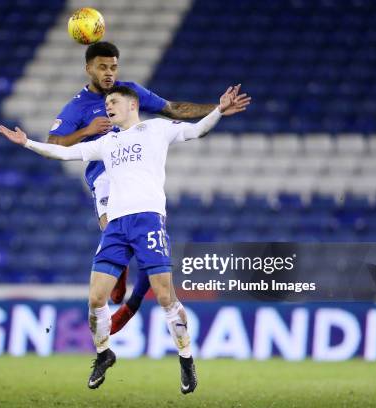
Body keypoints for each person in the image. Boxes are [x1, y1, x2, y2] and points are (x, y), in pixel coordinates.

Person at [0, 84, 250, 393]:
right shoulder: (107, 143)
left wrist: (219, 111)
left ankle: (186, 360)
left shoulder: (157, 129)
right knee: (95, 299)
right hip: (116, 227)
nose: (108, 107)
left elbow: (197, 131)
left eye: (113, 102)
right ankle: (104, 354)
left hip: (148, 222)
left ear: (132, 105)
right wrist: (27, 143)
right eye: (106, 103)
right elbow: (64, 152)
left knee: (166, 297)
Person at [48, 41, 241, 334]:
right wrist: (87, 131)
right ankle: (120, 277)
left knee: (150, 251)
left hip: (140, 174)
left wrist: (217, 108)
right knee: (112, 229)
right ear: (88, 68)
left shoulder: (130, 93)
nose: (109, 73)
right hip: (104, 175)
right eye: (102, 67)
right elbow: (54, 145)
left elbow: (172, 108)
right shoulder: (77, 106)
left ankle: (131, 303)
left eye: (113, 67)